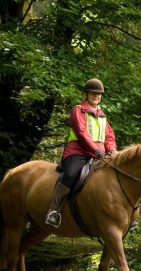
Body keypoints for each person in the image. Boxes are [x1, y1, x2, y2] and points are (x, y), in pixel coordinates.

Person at [44, 78, 118, 228]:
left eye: (99, 94)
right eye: (93, 93)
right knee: (71, 174)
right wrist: (95, 149)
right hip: (78, 152)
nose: (96, 96)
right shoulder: (78, 110)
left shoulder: (102, 115)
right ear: (86, 94)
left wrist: (111, 150)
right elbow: (82, 132)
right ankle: (53, 210)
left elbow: (109, 136)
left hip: (99, 154)